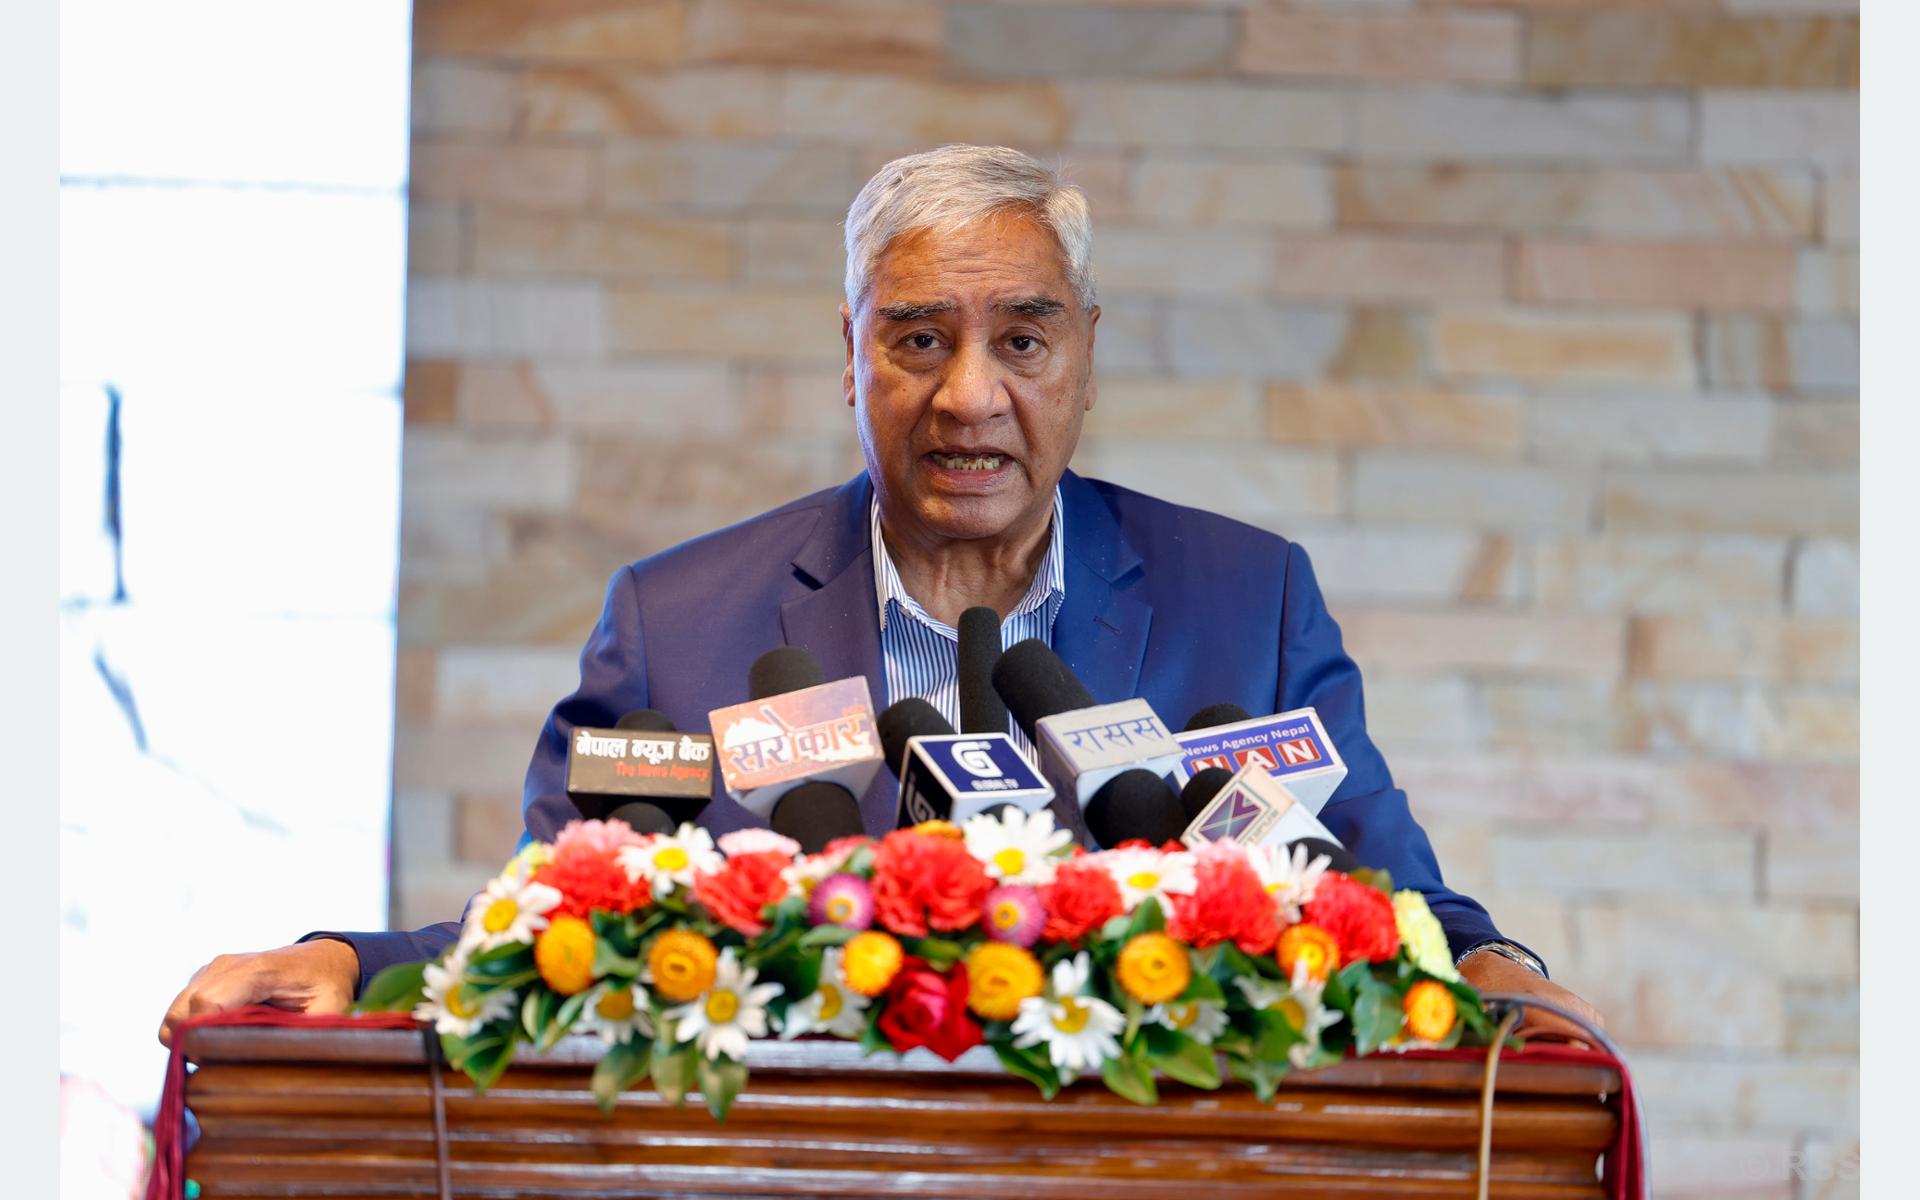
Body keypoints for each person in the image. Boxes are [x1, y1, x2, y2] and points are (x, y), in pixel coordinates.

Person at [164, 145, 1602, 1045]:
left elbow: (1393, 898)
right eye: (918, 339)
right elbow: (562, 922)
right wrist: (351, 958)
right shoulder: (681, 628)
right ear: (847, 357)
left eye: (1022, 340)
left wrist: (1497, 968)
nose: (969, 396)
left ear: (1086, 359)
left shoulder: (1250, 601)